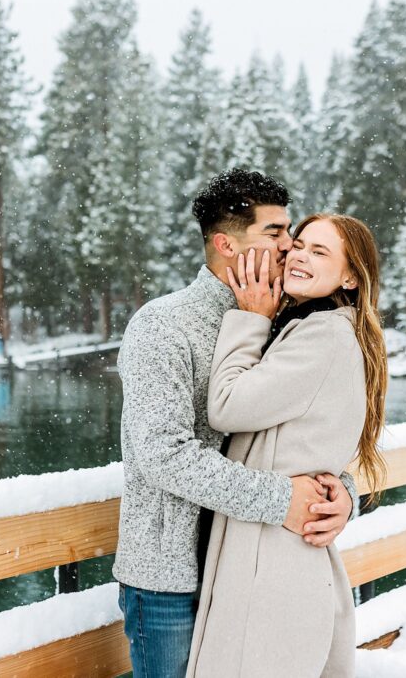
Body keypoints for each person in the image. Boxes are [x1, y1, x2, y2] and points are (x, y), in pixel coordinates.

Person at [114, 170, 360, 677]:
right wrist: (282, 501)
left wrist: (342, 495)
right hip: (172, 578)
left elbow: (312, 433)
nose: (290, 246)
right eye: (275, 234)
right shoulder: (162, 326)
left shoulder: (287, 321)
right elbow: (165, 455)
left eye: (290, 231)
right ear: (226, 244)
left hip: (252, 567)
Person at [187, 213, 389, 677]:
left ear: (350, 277)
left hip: (273, 563)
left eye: (320, 252)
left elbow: (227, 406)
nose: (298, 255)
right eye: (298, 244)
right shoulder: (315, 326)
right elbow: (314, 442)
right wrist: (343, 490)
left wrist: (249, 318)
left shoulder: (322, 334)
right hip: (283, 552)